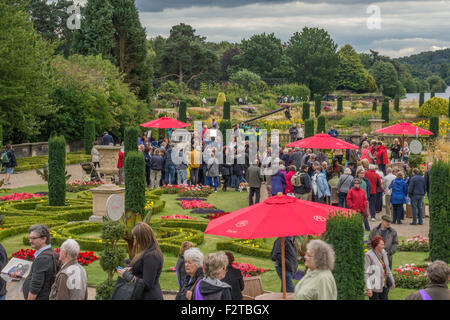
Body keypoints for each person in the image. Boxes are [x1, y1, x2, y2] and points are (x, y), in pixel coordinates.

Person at [116, 222, 164, 300]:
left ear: (142, 238)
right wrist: (127, 266)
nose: (134, 241)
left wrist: (127, 275)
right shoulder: (147, 251)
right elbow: (138, 264)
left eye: (135, 238)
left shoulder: (152, 255)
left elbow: (147, 284)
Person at [21, 225, 60, 300]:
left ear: (44, 239)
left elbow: (35, 286)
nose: (30, 241)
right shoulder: (51, 252)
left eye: (33, 238)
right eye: (30, 238)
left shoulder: (42, 259)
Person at [364, 235, 395, 300]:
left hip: (384, 284)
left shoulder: (384, 252)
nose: (383, 246)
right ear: (376, 245)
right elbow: (366, 273)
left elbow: (387, 268)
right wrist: (368, 288)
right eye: (381, 244)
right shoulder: (368, 255)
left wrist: (392, 281)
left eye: (383, 244)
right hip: (374, 287)